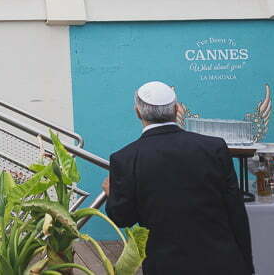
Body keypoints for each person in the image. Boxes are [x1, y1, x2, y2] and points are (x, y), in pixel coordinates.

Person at [104, 81, 253, 275]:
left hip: (166, 266)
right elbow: (236, 212)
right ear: (176, 109)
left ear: (138, 112)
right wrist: (246, 266)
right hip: (222, 263)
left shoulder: (125, 158)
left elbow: (123, 218)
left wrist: (112, 194)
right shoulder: (213, 148)